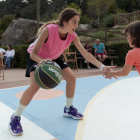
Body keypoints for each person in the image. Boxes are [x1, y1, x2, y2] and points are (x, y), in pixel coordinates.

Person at [9, 8, 116, 136]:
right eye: (74, 22)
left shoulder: (72, 35)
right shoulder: (48, 30)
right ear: (64, 22)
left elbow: (85, 54)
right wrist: (43, 62)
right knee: (35, 86)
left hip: (54, 57)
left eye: (77, 22)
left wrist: (102, 67)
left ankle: (68, 108)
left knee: (72, 78)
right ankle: (15, 117)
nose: (76, 26)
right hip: (37, 57)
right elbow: (33, 54)